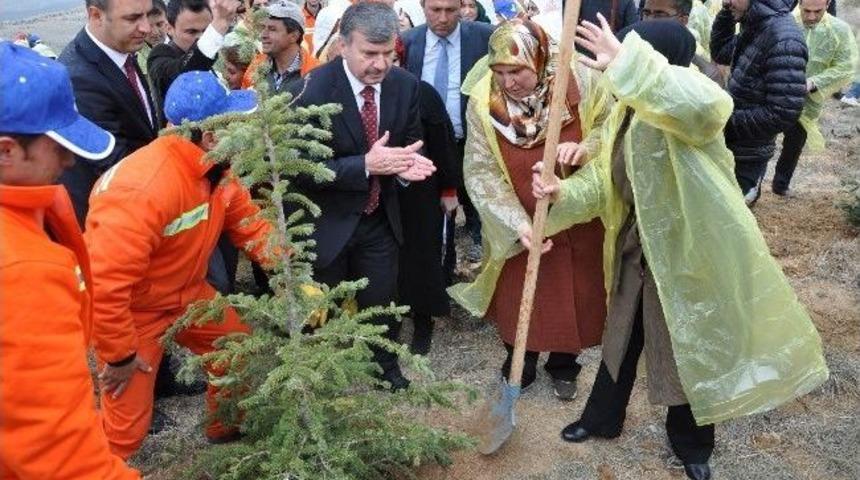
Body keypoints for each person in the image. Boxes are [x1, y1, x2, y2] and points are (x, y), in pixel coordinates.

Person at [531, 17, 827, 480]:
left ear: (660, 63)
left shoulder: (696, 106)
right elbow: (605, 182)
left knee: (688, 346)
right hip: (637, 249)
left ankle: (692, 445)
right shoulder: (627, 111)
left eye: (635, 56)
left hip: (689, 255)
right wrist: (560, 195)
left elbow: (704, 106)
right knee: (621, 339)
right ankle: (602, 419)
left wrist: (630, 60)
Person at [85, 71, 275, 459]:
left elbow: (250, 224)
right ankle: (103, 462)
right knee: (126, 426)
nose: (244, 135)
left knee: (235, 348)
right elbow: (106, 285)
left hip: (189, 292)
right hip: (137, 312)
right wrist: (120, 355)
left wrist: (292, 269)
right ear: (208, 135)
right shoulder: (141, 189)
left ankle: (225, 429)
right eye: (234, 125)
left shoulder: (216, 170)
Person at [448, 18, 609, 400]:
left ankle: (564, 364)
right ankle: (521, 360)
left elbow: (611, 129)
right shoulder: (484, 101)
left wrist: (587, 150)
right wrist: (516, 223)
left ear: (538, 60)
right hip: (518, 212)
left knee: (574, 287)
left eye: (517, 70)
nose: (508, 82)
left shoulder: (582, 81)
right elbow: (481, 169)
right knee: (518, 289)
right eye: (499, 71)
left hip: (575, 209)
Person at [0, 41, 139, 480]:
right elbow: (60, 456)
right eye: (57, 144)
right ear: (6, 150)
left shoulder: (28, 216)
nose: (69, 158)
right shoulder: (21, 271)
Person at [289, 2, 436, 390]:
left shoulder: (405, 87)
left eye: (388, 53)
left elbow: (408, 142)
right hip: (326, 223)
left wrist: (405, 166)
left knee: (381, 301)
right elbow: (302, 169)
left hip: (378, 219)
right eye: (370, 53)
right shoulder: (309, 92)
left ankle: (384, 368)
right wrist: (367, 166)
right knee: (322, 310)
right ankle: (320, 380)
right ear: (342, 45)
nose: (381, 64)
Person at [401, 0, 494, 282]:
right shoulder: (408, 42)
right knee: (433, 210)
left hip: (470, 140)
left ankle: (486, 259)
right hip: (425, 147)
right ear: (423, 6)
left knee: (478, 202)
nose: (443, 18)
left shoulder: (483, 37)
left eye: (450, 10)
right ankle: (441, 270)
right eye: (435, 10)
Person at [58, 0, 157, 225]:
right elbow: (115, 163)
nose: (146, 28)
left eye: (147, 15)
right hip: (114, 220)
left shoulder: (119, 51)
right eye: (132, 18)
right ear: (96, 16)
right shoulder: (79, 78)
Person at [392, 36, 460, 355]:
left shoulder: (421, 93)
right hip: (380, 194)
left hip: (421, 193)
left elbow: (443, 144)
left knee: (421, 256)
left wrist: (448, 189)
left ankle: (422, 321)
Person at [710, 0, 808, 206]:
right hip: (733, 146)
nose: (726, 1)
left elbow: (783, 112)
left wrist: (725, 122)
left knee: (732, 221)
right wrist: (727, 15)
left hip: (748, 155)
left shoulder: (783, 38)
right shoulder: (757, 24)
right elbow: (721, 53)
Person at [772, 0, 857, 196]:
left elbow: (846, 66)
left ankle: (781, 185)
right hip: (775, 94)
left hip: (807, 101)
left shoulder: (839, 30)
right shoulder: (783, 23)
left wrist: (814, 82)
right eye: (806, 11)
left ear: (828, 3)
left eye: (817, 11)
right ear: (799, 3)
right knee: (762, 141)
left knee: (794, 143)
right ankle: (752, 186)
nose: (811, 17)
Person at [148, 0, 242, 126]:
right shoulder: (160, 54)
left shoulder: (214, 52)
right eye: (191, 32)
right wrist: (218, 26)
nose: (201, 37)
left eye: (206, 30)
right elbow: (184, 74)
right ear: (169, 28)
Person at [639, 0, 724, 85]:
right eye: (646, 13)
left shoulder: (706, 76)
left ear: (683, 20)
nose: (649, 20)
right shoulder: (632, 54)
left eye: (660, 15)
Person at [248, 0, 319, 95]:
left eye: (272, 29)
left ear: (294, 36)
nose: (263, 35)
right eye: (263, 28)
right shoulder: (256, 66)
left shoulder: (316, 73)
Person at [138, 0, 168, 74]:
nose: (155, 32)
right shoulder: (135, 57)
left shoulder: (180, 44)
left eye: (159, 24)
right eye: (149, 26)